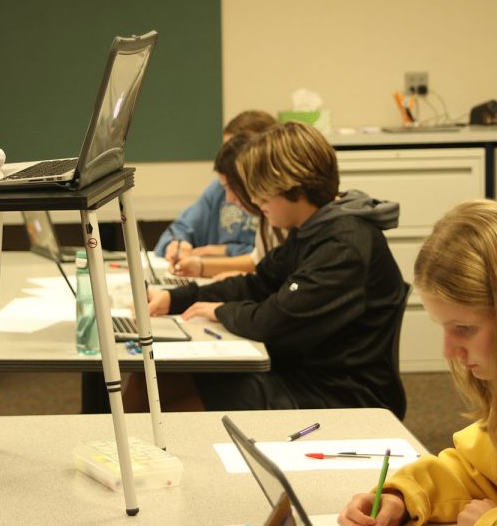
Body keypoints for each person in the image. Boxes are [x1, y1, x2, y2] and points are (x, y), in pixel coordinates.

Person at [128, 121, 408, 414]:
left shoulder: (344, 246)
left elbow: (275, 321)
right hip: (301, 372)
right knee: (152, 378)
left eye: (262, 191)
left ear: (291, 186)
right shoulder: (313, 229)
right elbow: (257, 283)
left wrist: (219, 310)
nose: (256, 201)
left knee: (172, 417)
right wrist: (177, 298)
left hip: (340, 393)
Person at [339, 200, 497, 526]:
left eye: (464, 329)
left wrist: (493, 521)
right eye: (444, 328)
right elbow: (478, 470)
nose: (449, 351)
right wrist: (401, 496)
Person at [154, 110, 277, 265]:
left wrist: (226, 251)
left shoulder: (275, 202)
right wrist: (176, 245)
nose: (226, 161)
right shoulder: (218, 189)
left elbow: (272, 255)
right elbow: (181, 229)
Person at [171, 131, 284, 279]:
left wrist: (226, 252)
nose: (228, 199)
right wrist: (199, 266)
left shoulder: (279, 217)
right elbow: (257, 261)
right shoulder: (266, 218)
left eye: (232, 187)